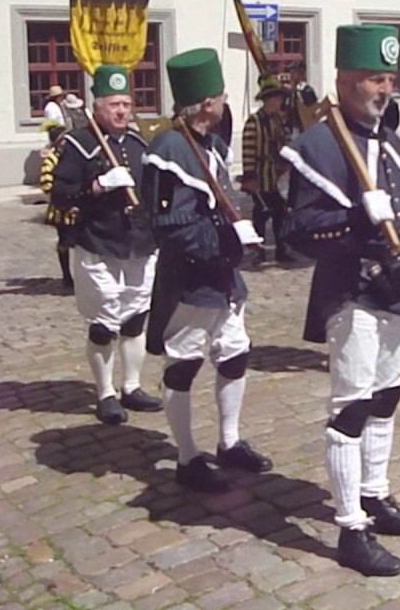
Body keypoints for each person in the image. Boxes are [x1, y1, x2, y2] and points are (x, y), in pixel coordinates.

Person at [283, 24, 400, 576]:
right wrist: (353, 217)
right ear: (344, 82)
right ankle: (350, 527)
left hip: (398, 294)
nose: (384, 89)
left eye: (389, 79)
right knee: (351, 408)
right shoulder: (317, 146)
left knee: (388, 395)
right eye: (374, 78)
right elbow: (298, 233)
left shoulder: (394, 146)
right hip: (351, 292)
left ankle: (376, 494)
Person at [142, 47, 273, 492]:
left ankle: (229, 442)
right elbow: (168, 225)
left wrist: (239, 235)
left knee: (236, 354)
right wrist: (222, 242)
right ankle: (186, 458)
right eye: (218, 97)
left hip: (223, 275)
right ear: (204, 104)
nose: (223, 105)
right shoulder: (167, 150)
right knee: (184, 365)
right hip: (191, 279)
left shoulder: (209, 144)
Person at [51, 65, 163, 425]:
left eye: (126, 104)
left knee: (134, 320)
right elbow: (60, 194)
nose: (121, 112)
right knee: (103, 325)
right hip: (99, 245)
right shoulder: (78, 145)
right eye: (113, 104)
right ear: (96, 107)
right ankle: (105, 393)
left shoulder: (138, 144)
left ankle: (131, 386)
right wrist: (98, 186)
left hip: (138, 244)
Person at [241, 75, 293, 264]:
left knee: (280, 215)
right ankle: (259, 251)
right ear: (268, 100)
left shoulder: (279, 121)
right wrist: (250, 178)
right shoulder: (254, 122)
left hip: (277, 177)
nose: (279, 101)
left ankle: (281, 249)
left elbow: (286, 142)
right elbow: (247, 150)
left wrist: (287, 162)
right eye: (276, 98)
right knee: (261, 216)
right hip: (261, 177)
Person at [38, 120, 76, 291]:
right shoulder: (51, 160)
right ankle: (66, 275)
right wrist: (63, 195)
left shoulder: (72, 157)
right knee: (64, 242)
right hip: (61, 209)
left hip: (77, 208)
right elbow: (46, 184)